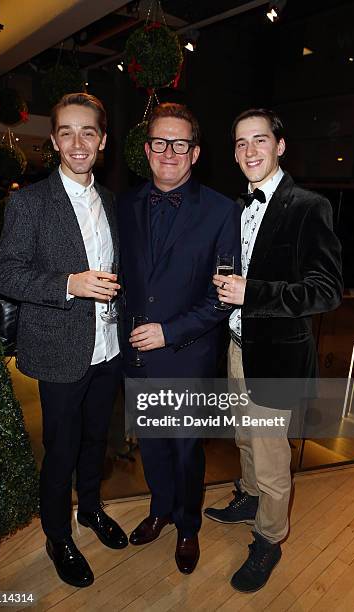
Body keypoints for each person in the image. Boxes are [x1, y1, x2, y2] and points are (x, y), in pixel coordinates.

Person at [204, 108, 343, 592]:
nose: (249, 152)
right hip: (239, 346)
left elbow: (326, 290)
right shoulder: (234, 206)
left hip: (278, 356)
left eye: (259, 140)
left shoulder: (308, 206)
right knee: (244, 438)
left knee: (270, 457)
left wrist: (253, 292)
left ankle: (269, 537)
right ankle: (248, 499)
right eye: (240, 143)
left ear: (280, 146)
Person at [0, 93, 127, 589]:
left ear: (103, 141)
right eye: (66, 132)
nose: (77, 142)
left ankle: (90, 510)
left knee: (97, 441)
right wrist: (69, 284)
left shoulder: (111, 201)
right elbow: (6, 274)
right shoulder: (29, 203)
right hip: (59, 351)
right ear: (53, 141)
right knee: (62, 448)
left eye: (87, 132)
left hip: (108, 348)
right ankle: (57, 535)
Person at [118, 102, 241, 574]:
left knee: (186, 450)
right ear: (148, 150)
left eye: (180, 144)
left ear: (194, 153)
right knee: (151, 444)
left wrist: (169, 331)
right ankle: (160, 510)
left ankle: (188, 526)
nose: (169, 152)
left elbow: (223, 296)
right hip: (136, 357)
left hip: (188, 356)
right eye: (160, 142)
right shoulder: (125, 205)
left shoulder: (220, 211)